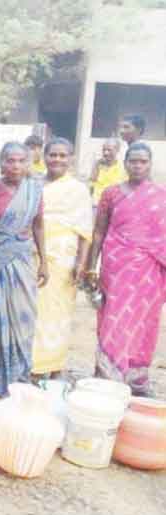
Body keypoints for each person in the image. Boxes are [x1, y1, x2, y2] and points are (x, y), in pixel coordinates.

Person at [83, 142, 166, 397]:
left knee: (144, 322)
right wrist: (90, 268)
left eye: (143, 161)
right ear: (125, 163)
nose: (138, 166)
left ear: (150, 164)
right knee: (113, 318)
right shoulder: (111, 193)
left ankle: (136, 378)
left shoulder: (161, 196)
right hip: (117, 267)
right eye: (133, 161)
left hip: (149, 271)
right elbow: (98, 232)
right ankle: (107, 375)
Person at [0, 142, 48, 397]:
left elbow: (38, 226)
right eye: (9, 161)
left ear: (29, 163)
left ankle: (16, 376)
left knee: (24, 316)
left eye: (21, 161)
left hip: (22, 260)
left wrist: (44, 260)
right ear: (1, 163)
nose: (15, 166)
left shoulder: (34, 190)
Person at [31, 138, 92, 379]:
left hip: (64, 259)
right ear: (44, 157)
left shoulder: (78, 190)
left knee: (59, 312)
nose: (57, 159)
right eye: (52, 155)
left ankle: (54, 366)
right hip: (35, 254)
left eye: (62, 155)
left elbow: (85, 230)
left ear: (71, 159)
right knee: (35, 310)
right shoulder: (34, 184)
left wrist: (82, 263)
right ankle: (34, 365)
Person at [89, 138, 126, 208]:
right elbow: (91, 184)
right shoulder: (98, 164)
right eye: (104, 150)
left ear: (117, 150)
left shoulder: (123, 168)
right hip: (96, 205)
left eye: (109, 150)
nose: (105, 153)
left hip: (114, 206)